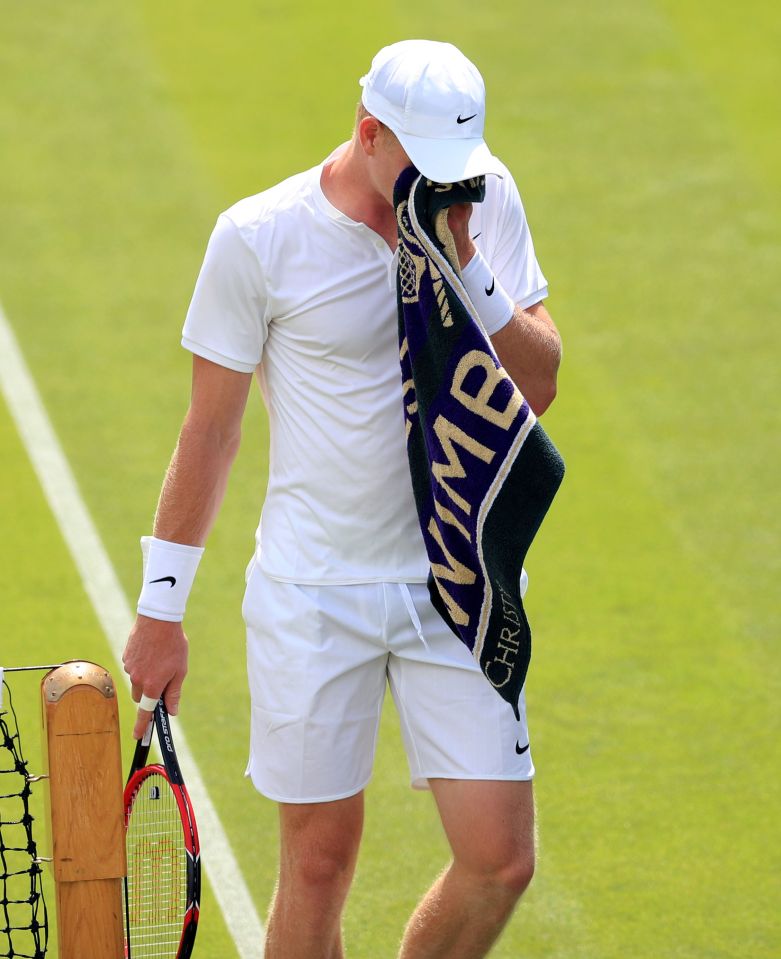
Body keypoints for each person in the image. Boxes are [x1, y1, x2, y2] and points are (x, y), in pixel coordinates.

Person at [122, 38, 561, 959]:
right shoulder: (258, 236)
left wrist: (465, 265)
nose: (446, 186)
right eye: (424, 167)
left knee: (499, 861)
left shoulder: (479, 201)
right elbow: (210, 430)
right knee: (318, 862)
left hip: (458, 583)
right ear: (370, 135)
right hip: (314, 589)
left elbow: (540, 382)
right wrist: (160, 612)